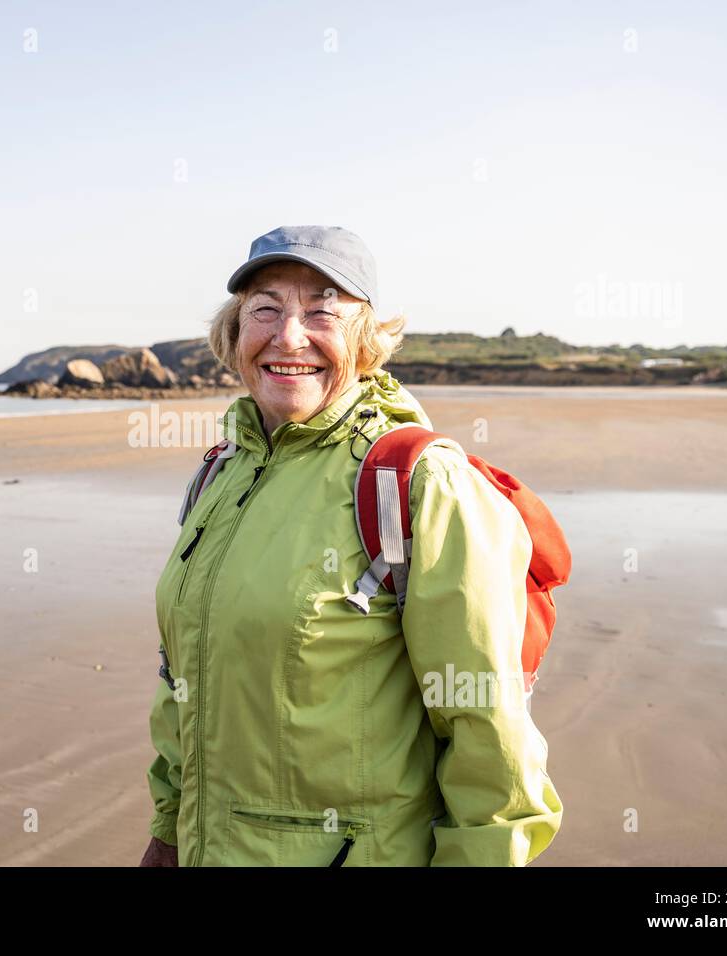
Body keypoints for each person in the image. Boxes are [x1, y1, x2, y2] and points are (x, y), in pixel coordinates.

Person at [139, 225, 562, 867]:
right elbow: (182, 682)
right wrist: (169, 832)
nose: (289, 337)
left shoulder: (418, 484)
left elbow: (486, 730)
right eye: (266, 309)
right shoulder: (220, 474)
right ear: (235, 331)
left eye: (321, 313)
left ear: (365, 340)